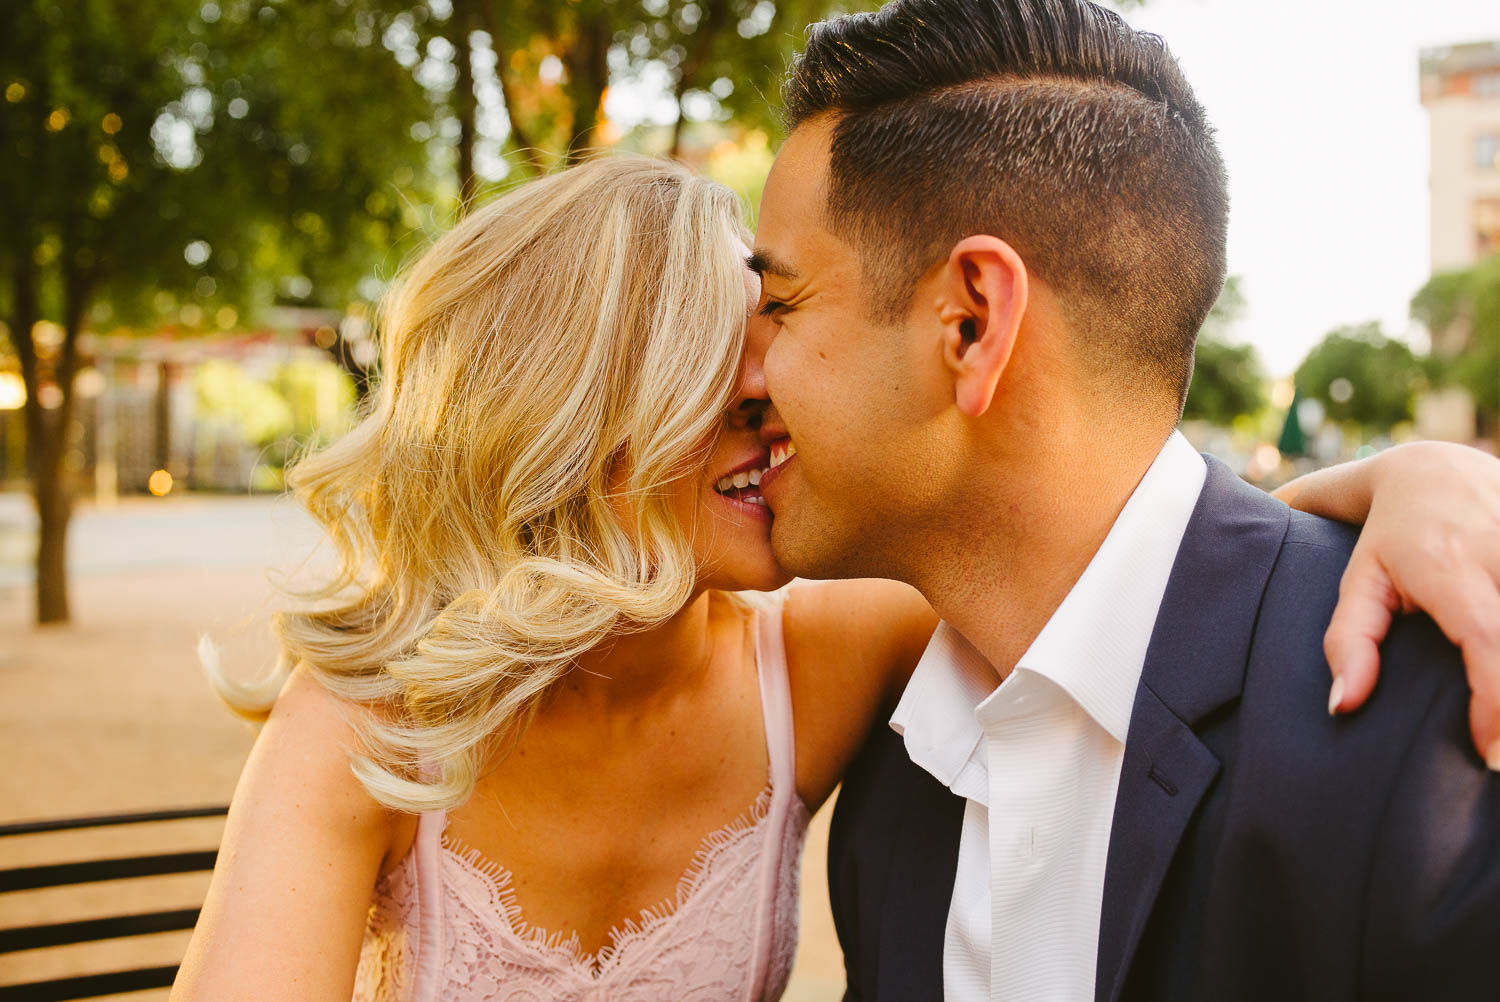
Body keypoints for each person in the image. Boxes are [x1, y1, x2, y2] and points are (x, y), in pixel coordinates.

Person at [172, 129, 1497, 1002]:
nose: (771, 397)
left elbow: (1108, 553)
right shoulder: (371, 724)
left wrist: (1409, 480)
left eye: (780, 331)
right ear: (578, 410)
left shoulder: (834, 650)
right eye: (724, 361)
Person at [741, 0, 1500, 999]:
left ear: (972, 322)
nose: (740, 376)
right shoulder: (895, 778)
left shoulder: (1428, 742)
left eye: (782, 304)